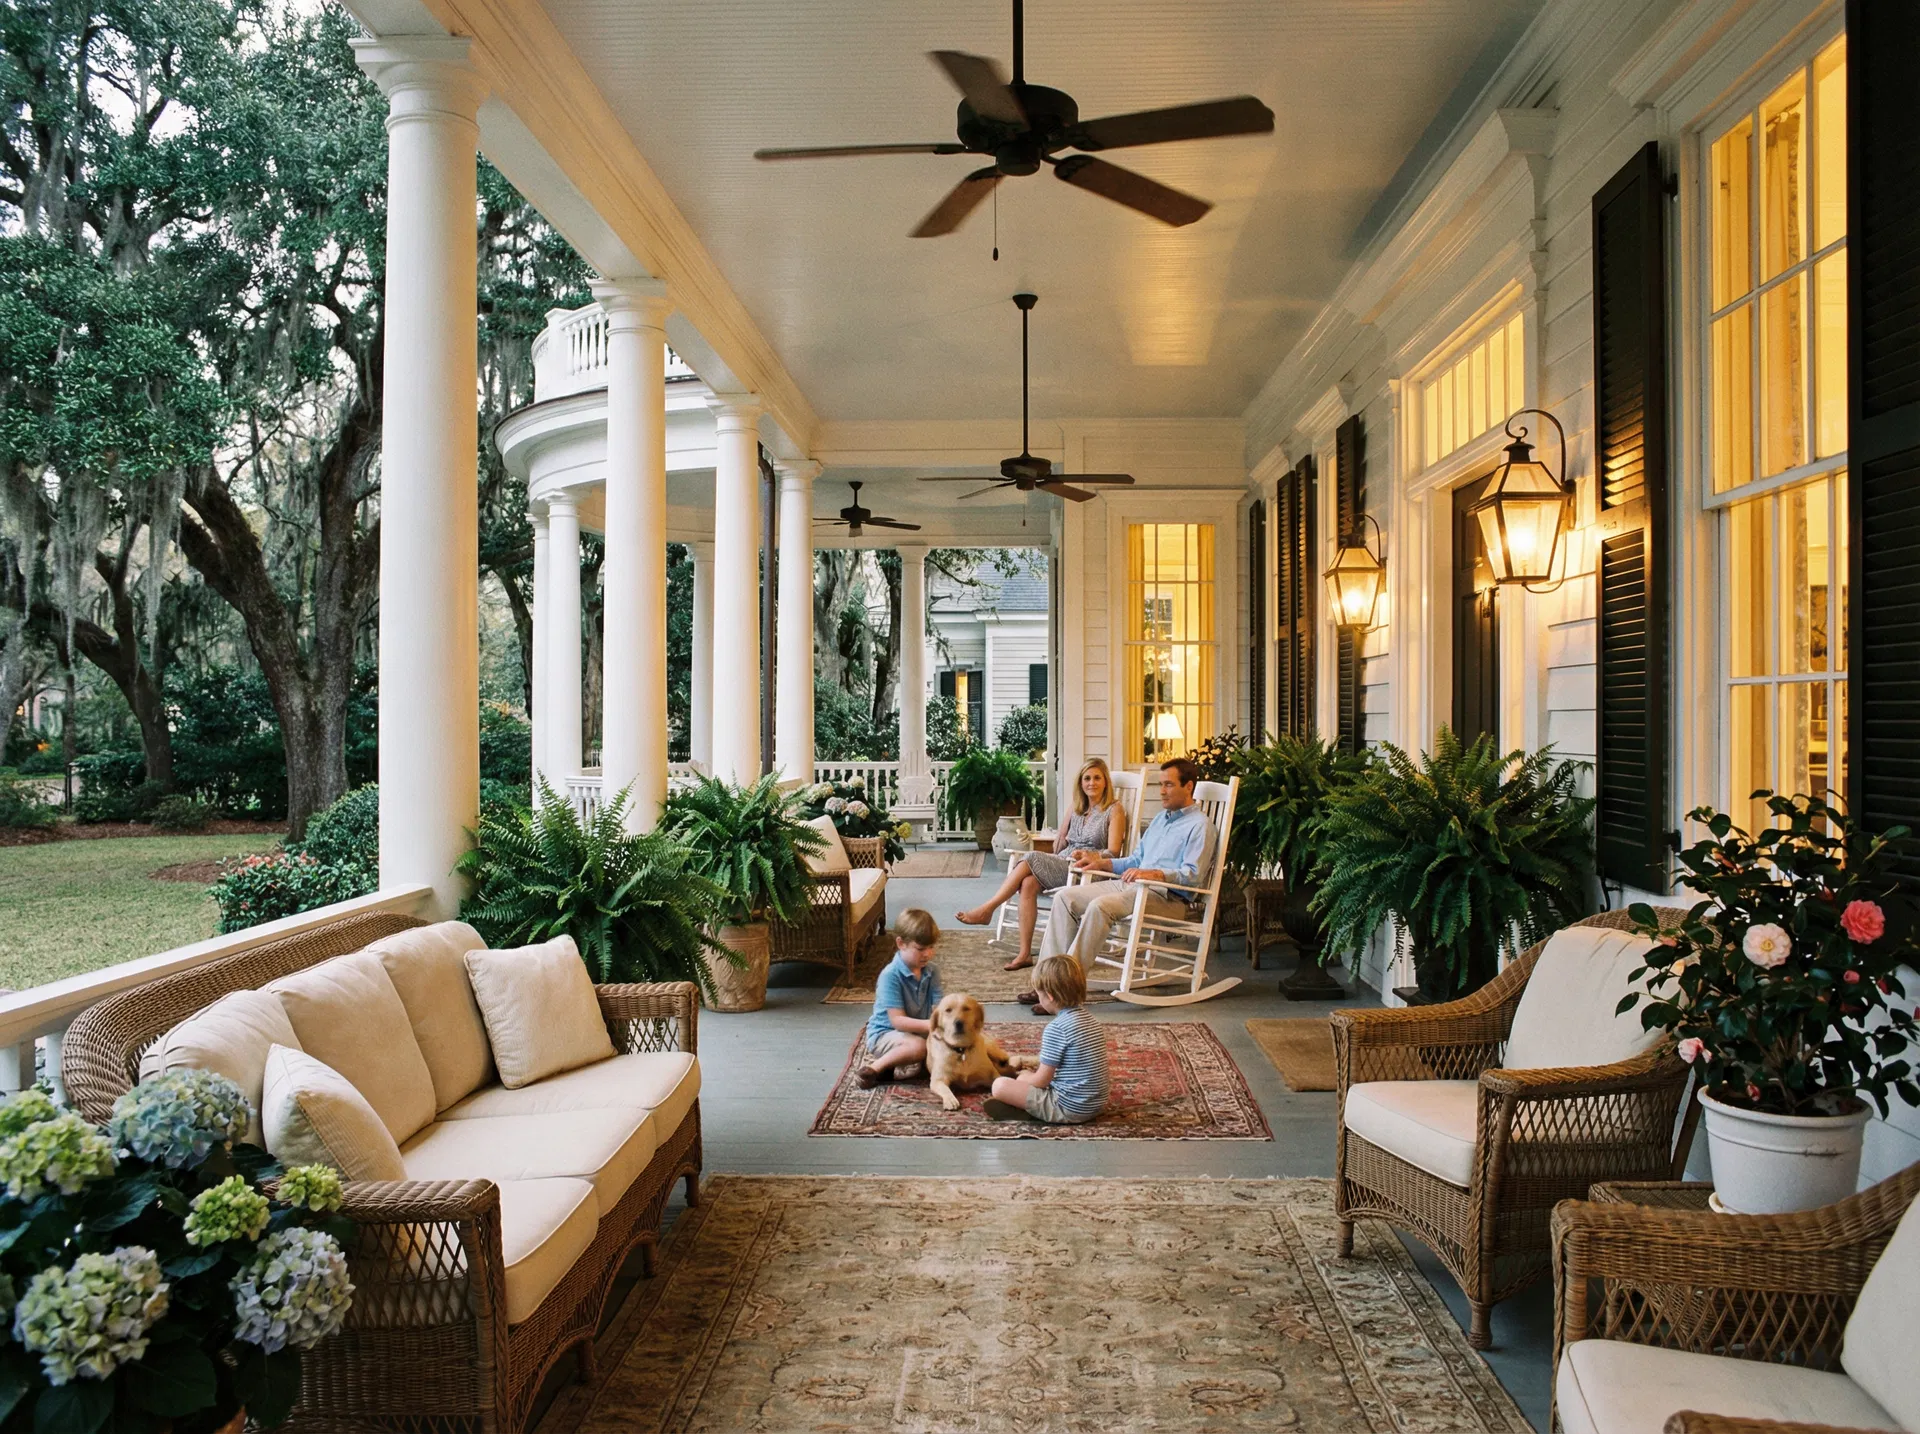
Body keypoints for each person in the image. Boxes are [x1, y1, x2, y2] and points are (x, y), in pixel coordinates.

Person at [1017, 756, 1216, 1005]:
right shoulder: (1160, 820)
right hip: (1131, 885)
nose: (1162, 791)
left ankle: (1064, 989)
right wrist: (1101, 863)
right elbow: (1135, 860)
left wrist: (1155, 874)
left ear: (1188, 787)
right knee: (1065, 898)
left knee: (1100, 906)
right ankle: (1045, 984)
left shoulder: (1200, 826)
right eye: (1161, 784)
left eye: (1168, 785)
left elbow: (1193, 876)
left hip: (1167, 897)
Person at [954, 757, 1128, 971]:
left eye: (1097, 778)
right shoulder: (1076, 808)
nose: (1092, 783)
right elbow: (1059, 845)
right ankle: (1024, 954)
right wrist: (1061, 835)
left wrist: (1091, 855)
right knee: (1028, 883)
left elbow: (1113, 852)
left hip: (1088, 870)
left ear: (1105, 782)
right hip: (1064, 862)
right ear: (1080, 783)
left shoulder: (1114, 809)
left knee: (1031, 857)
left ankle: (988, 909)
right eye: (1087, 778)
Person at [984, 955, 1110, 1124]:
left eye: (1039, 994)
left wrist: (1024, 1077)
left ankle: (1034, 1111)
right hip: (1096, 1105)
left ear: (1049, 996)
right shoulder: (1092, 1021)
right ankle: (1028, 1107)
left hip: (1069, 1108)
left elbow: (1041, 1081)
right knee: (1026, 1081)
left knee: (1000, 1085)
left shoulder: (1057, 1029)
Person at [854, 908, 944, 1088]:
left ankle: (922, 1063)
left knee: (960, 1042)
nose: (927, 954)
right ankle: (875, 1069)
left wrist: (944, 1024)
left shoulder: (932, 971)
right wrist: (932, 1026)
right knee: (918, 1047)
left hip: (918, 1031)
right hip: (886, 1034)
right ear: (901, 943)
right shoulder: (890, 975)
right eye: (920, 949)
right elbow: (898, 1021)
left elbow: (939, 1007)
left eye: (931, 947)